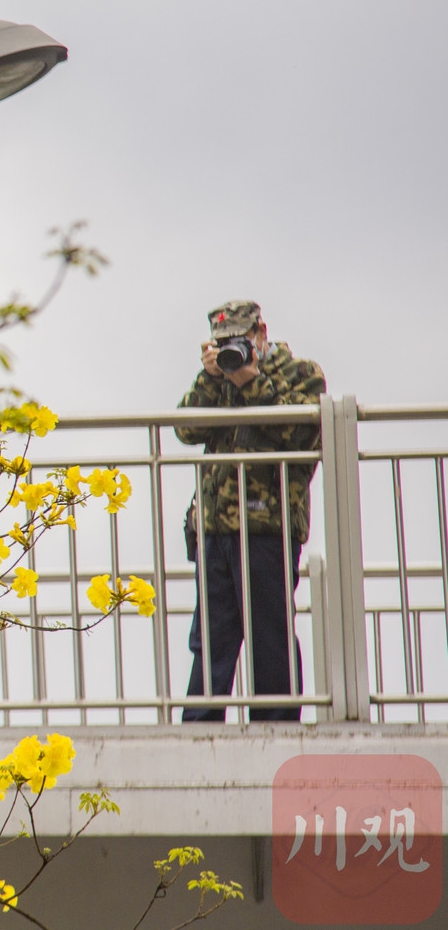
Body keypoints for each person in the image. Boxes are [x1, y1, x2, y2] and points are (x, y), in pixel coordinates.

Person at [176, 300, 326, 722]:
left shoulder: (299, 373)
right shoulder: (216, 379)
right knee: (211, 635)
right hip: (214, 525)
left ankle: (276, 723)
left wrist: (250, 381)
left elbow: (298, 429)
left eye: (239, 340)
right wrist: (211, 377)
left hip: (268, 523)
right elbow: (186, 428)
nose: (232, 351)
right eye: (222, 343)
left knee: (269, 631)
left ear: (261, 332)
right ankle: (199, 725)